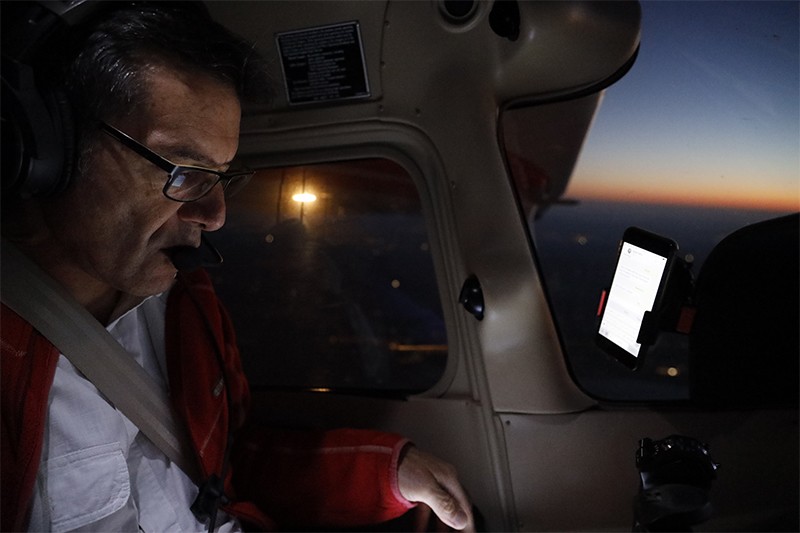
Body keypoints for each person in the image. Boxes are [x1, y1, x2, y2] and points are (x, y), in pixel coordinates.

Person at [0, 2, 475, 531]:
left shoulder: (186, 309)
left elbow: (227, 467)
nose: (216, 215)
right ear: (47, 149)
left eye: (221, 177)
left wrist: (387, 474)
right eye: (183, 172)